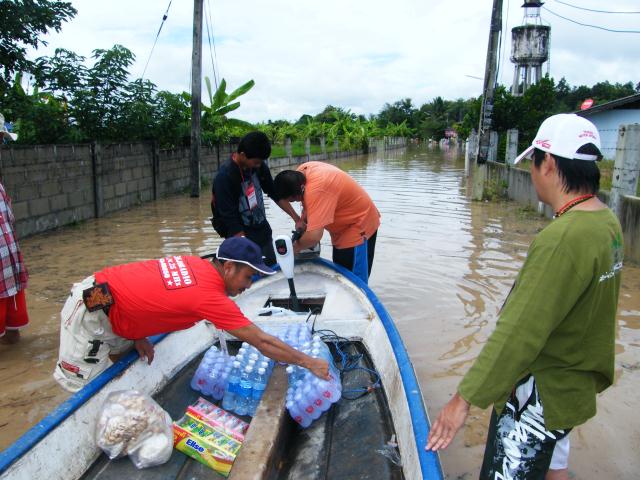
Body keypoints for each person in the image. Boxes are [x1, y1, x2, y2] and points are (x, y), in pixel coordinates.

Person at [426, 114, 623, 480]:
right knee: (554, 466)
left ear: (547, 162)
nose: (533, 175)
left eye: (534, 164)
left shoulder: (563, 238)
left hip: (541, 394)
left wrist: (463, 399)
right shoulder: (605, 221)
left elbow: (519, 332)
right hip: (572, 386)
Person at [53, 236, 329, 392]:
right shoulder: (210, 298)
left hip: (108, 299)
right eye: (248, 277)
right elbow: (263, 342)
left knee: (121, 366)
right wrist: (308, 362)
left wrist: (138, 335)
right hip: (91, 312)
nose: (248, 286)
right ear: (229, 267)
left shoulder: (195, 263)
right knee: (81, 388)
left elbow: (152, 291)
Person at [273, 162, 380, 284]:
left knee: (354, 280)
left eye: (292, 201)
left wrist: (295, 248)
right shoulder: (301, 174)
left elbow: (314, 236)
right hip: (342, 229)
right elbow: (309, 203)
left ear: (296, 196)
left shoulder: (317, 190)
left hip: (358, 226)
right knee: (341, 273)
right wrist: (302, 219)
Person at [211, 131, 305, 266]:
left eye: (261, 162)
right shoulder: (225, 177)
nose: (258, 166)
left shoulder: (259, 167)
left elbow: (274, 193)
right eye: (256, 162)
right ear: (242, 155)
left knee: (270, 267)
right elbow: (230, 219)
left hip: (262, 231)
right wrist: (246, 251)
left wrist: (297, 219)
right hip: (241, 236)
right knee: (250, 276)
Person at [0, 181, 29, 345]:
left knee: (13, 333)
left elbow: (9, 223)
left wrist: (20, 263)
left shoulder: (1, 187)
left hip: (10, 267)